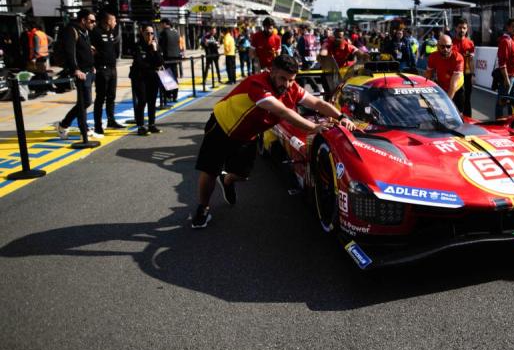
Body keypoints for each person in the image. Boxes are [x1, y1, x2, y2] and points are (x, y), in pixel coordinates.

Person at [190, 54, 358, 229]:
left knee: (242, 175)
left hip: (246, 136)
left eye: (291, 80)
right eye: (282, 78)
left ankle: (226, 180)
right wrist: (312, 127)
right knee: (209, 170)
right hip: (221, 126)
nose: (286, 84)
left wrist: (341, 116)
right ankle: (202, 209)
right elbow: (284, 112)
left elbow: (316, 102)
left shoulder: (291, 88)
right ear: (272, 72)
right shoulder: (258, 84)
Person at [54, 9, 101, 140]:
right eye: (91, 21)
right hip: (81, 72)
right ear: (83, 20)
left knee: (83, 102)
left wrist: (92, 66)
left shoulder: (84, 31)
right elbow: (70, 52)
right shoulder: (71, 30)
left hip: (88, 70)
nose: (93, 24)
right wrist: (75, 69)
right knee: (85, 102)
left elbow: (84, 51)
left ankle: (78, 128)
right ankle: (68, 126)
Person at [91, 12, 123, 135]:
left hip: (112, 68)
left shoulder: (110, 33)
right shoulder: (96, 32)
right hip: (102, 70)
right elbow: (91, 48)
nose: (115, 22)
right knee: (100, 98)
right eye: (114, 20)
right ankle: (97, 125)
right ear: (108, 21)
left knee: (111, 96)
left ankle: (111, 120)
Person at [130, 24, 164, 136]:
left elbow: (159, 62)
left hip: (153, 77)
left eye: (151, 33)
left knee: (152, 101)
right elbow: (140, 62)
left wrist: (154, 50)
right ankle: (140, 126)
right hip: (140, 77)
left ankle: (151, 124)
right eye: (147, 33)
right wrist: (152, 64)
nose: (149, 35)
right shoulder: (138, 46)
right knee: (142, 100)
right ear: (142, 33)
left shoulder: (156, 46)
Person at [424, 34, 465, 112]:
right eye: (442, 46)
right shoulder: (433, 57)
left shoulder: (458, 58)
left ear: (452, 46)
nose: (445, 49)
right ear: (437, 46)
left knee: (457, 113)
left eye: (448, 46)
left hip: (457, 88)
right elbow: (428, 76)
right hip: (442, 85)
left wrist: (446, 104)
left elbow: (453, 86)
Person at [495, 18, 514, 119]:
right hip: (508, 76)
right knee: (502, 101)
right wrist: (506, 78)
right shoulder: (505, 41)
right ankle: (498, 122)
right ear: (508, 28)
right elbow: (502, 62)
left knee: (513, 100)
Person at [451, 19, 475, 116]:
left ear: (467, 29)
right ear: (456, 28)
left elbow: (471, 60)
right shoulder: (450, 43)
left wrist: (473, 75)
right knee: (456, 98)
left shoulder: (470, 43)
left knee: (467, 99)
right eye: (460, 28)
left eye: (464, 28)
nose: (462, 30)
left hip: (467, 75)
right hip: (454, 75)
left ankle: (469, 120)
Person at [159, 18, 181, 102]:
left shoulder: (164, 33)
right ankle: (175, 95)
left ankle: (168, 95)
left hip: (167, 57)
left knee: (167, 77)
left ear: (165, 24)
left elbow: (161, 45)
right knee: (174, 76)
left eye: (161, 24)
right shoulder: (175, 32)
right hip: (176, 57)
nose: (160, 26)